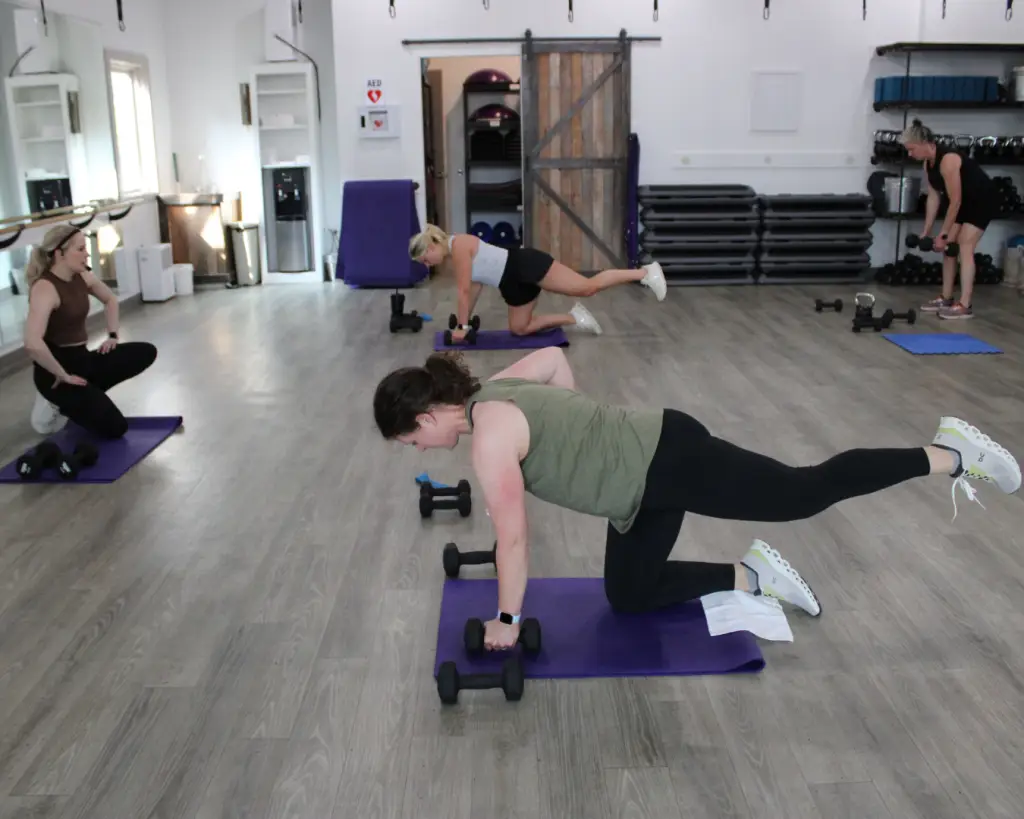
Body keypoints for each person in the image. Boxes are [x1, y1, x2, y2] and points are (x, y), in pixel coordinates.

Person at [374, 347, 1020, 650]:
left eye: (409, 438)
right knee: (627, 595)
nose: (415, 448)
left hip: (667, 459)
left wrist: (507, 622)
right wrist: (587, 425)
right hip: (637, 489)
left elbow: (514, 538)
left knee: (803, 490)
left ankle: (950, 453)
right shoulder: (493, 389)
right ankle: (750, 573)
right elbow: (548, 358)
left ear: (428, 415)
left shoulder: (488, 440)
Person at [408, 224, 667, 341]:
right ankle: (574, 318)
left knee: (587, 287)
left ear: (432, 244)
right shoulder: (455, 256)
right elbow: (474, 288)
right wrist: (464, 323)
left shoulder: (460, 245)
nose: (426, 264)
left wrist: (462, 327)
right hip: (511, 284)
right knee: (519, 329)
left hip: (524, 265)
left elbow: (463, 291)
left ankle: (645, 274)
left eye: (425, 258)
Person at [22, 224, 158, 439]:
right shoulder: (45, 288)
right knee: (116, 429)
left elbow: (110, 299)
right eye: (80, 249)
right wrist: (62, 375)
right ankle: (56, 402)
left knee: (145, 352)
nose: (87, 253)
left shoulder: (82, 275)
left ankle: (87, 396)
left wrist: (112, 335)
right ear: (60, 253)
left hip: (83, 361)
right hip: (55, 374)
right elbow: (32, 342)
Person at [901, 119, 999, 320]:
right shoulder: (928, 165)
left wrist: (944, 233)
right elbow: (934, 197)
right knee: (949, 250)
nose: (910, 154)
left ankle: (965, 304)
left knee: (964, 245)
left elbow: (955, 201)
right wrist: (927, 231)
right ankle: (946, 297)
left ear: (925, 143)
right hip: (963, 203)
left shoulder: (948, 160)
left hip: (982, 200)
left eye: (912, 149)